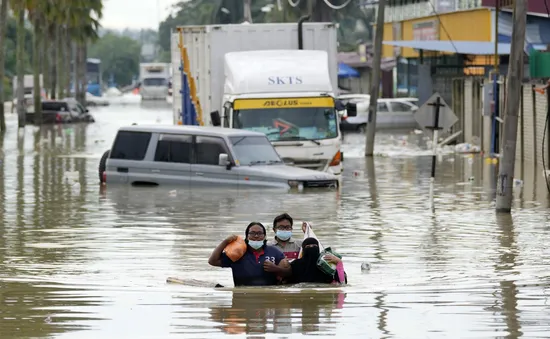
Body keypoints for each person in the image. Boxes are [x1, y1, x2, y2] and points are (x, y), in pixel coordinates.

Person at [208, 222, 287, 286]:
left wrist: (276, 269)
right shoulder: (237, 253)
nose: (256, 236)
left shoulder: (274, 252)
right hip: (242, 300)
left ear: (264, 237)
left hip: (268, 300)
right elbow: (212, 261)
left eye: (260, 233)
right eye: (252, 233)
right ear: (246, 237)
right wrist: (225, 242)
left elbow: (289, 272)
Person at [265, 237, 346, 284]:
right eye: (308, 246)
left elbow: (342, 282)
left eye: (314, 246)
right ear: (303, 250)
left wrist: (339, 263)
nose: (311, 248)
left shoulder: (326, 264)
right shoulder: (295, 265)